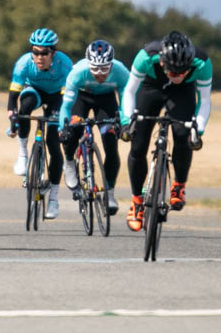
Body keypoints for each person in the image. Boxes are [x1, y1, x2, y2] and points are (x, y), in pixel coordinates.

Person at [121, 31, 212, 231]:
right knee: (138, 146)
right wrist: (127, 122)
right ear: (162, 63)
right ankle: (137, 201)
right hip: (151, 88)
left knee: (183, 134)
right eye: (173, 72)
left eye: (183, 71)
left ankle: (179, 185)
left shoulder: (202, 62)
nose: (178, 76)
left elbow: (204, 100)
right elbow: (129, 91)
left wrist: (199, 129)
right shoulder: (146, 56)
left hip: (183, 94)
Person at [6, 28, 73, 220]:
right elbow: (13, 97)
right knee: (24, 108)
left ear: (53, 52)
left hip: (57, 97)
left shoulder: (64, 64)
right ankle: (23, 155)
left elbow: (69, 97)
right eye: (35, 52)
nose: (39, 57)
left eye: (44, 53)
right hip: (33, 91)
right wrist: (13, 117)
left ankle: (53, 198)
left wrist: (64, 121)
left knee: (53, 143)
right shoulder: (23, 63)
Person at [59, 40, 130, 216]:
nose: (99, 74)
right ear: (88, 64)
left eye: (104, 69)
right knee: (73, 131)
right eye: (95, 69)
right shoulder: (78, 72)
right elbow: (66, 106)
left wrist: (124, 122)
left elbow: (126, 102)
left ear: (111, 65)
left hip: (106, 101)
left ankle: (109, 194)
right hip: (81, 98)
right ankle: (69, 161)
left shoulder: (121, 72)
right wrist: (64, 127)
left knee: (110, 144)